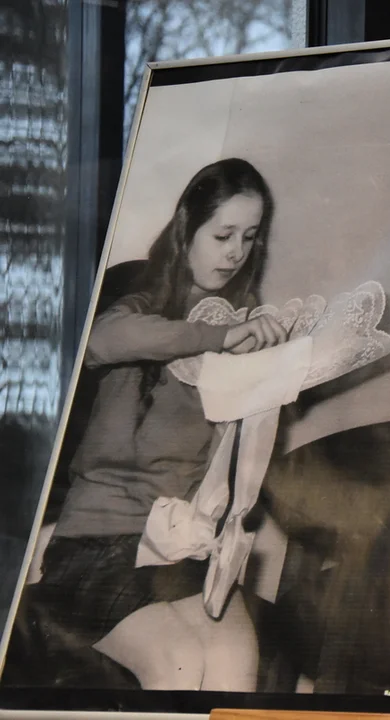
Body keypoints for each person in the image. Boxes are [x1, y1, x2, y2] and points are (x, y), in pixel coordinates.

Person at [30, 158, 289, 691]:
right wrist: (217, 338)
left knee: (233, 667)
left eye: (249, 236)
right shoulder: (141, 289)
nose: (235, 252)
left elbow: (226, 456)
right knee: (178, 664)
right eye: (222, 234)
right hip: (97, 539)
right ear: (187, 228)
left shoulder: (243, 313)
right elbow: (103, 340)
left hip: (175, 544)